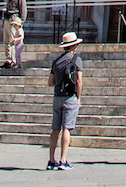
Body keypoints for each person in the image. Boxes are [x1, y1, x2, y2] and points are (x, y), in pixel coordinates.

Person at [47, 32, 83, 171]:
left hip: (57, 96)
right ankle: (63, 159)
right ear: (74, 46)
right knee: (66, 128)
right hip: (70, 96)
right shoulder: (76, 60)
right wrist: (78, 98)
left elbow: (50, 82)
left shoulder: (56, 62)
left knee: (55, 129)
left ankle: (51, 160)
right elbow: (79, 81)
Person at [3, 0, 27, 69]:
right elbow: (7, 7)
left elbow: (23, 9)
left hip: (15, 20)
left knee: (12, 41)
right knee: (6, 40)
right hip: (7, 18)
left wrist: (21, 22)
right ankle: (8, 59)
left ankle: (13, 60)